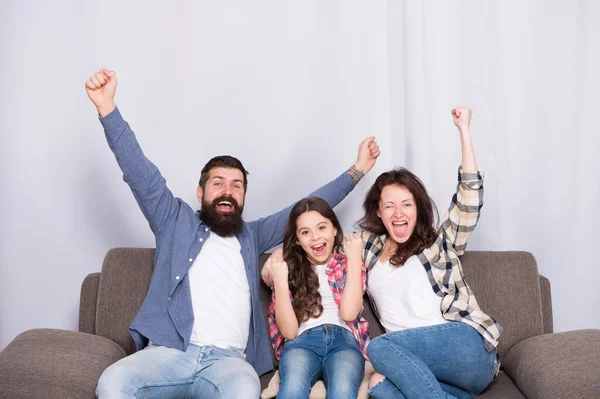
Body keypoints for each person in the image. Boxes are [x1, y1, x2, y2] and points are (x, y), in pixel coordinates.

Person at [84, 68, 380, 398]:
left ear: (243, 197)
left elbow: (307, 208)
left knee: (244, 392)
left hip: (228, 363)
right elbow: (140, 172)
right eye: (218, 183)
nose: (228, 190)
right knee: (113, 383)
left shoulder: (252, 235)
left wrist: (357, 171)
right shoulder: (174, 219)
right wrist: (107, 108)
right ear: (201, 193)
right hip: (169, 352)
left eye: (236, 185)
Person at [360, 107, 502, 399]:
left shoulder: (439, 241)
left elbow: (469, 199)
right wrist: (278, 256)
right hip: (423, 368)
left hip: (466, 349)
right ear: (378, 211)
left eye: (407, 204)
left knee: (378, 347)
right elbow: (315, 231)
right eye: (389, 206)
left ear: (418, 208)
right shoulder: (366, 247)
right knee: (379, 387)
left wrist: (464, 130)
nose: (399, 214)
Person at [267, 198, 369, 399]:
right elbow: (289, 332)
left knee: (342, 390)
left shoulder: (349, 263)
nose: (315, 237)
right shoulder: (287, 269)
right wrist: (279, 280)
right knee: (292, 388)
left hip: (344, 341)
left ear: (334, 229)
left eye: (321, 227)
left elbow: (349, 313)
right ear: (297, 240)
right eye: (305, 232)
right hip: (302, 342)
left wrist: (355, 259)